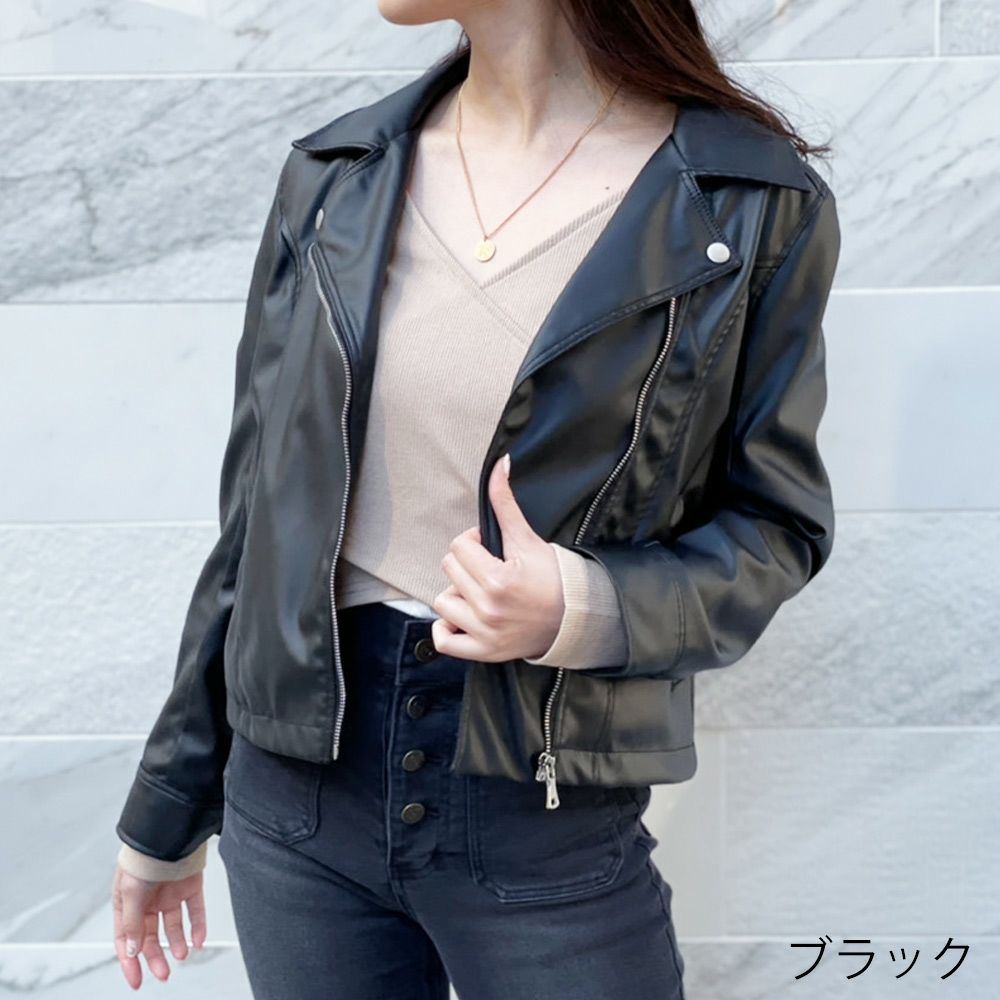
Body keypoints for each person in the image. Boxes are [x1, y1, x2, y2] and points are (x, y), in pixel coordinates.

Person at [110, 1, 842, 996]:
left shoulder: (748, 201)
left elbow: (776, 527)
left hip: (540, 808)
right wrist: (167, 808)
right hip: (294, 805)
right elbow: (255, 520)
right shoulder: (337, 176)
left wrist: (580, 605)